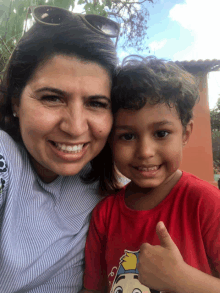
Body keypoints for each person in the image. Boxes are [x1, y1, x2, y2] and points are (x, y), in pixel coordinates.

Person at [0, 5, 119, 293]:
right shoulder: (6, 158)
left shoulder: (113, 185)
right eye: (52, 98)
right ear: (16, 101)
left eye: (96, 103)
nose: (76, 127)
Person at [83, 56, 220, 293]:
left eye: (161, 133)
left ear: (185, 133)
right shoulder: (104, 215)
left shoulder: (206, 203)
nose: (145, 152)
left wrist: (182, 279)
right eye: (127, 136)